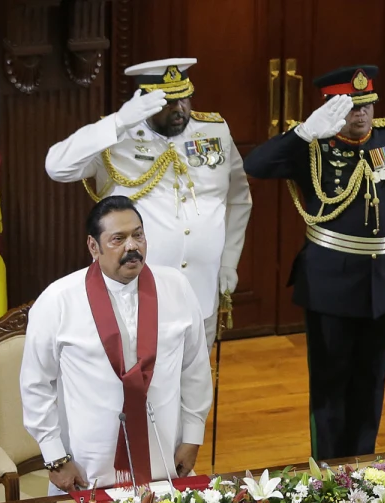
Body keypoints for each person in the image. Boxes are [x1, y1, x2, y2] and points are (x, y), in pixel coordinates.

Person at [243, 65, 385, 460]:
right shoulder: (312, 145)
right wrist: (305, 132)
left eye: (367, 106)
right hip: (331, 283)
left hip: (382, 282)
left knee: (371, 381)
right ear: (330, 109)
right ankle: (328, 469)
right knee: (331, 384)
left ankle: (361, 464)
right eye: (351, 107)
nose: (361, 115)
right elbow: (254, 166)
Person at [45, 58, 253, 347]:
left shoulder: (214, 131)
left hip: (200, 289)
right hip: (135, 294)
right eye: (168, 102)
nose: (179, 109)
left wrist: (229, 261)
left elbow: (238, 200)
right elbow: (57, 167)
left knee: (196, 384)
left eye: (184, 98)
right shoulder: (115, 138)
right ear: (144, 102)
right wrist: (118, 122)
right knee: (139, 385)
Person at [20, 196, 212, 494]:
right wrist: (56, 458)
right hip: (87, 470)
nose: (132, 247)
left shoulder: (177, 287)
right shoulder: (57, 300)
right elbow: (36, 384)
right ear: (93, 247)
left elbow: (195, 369)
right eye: (118, 239)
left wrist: (193, 437)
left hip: (166, 461)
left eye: (138, 235)